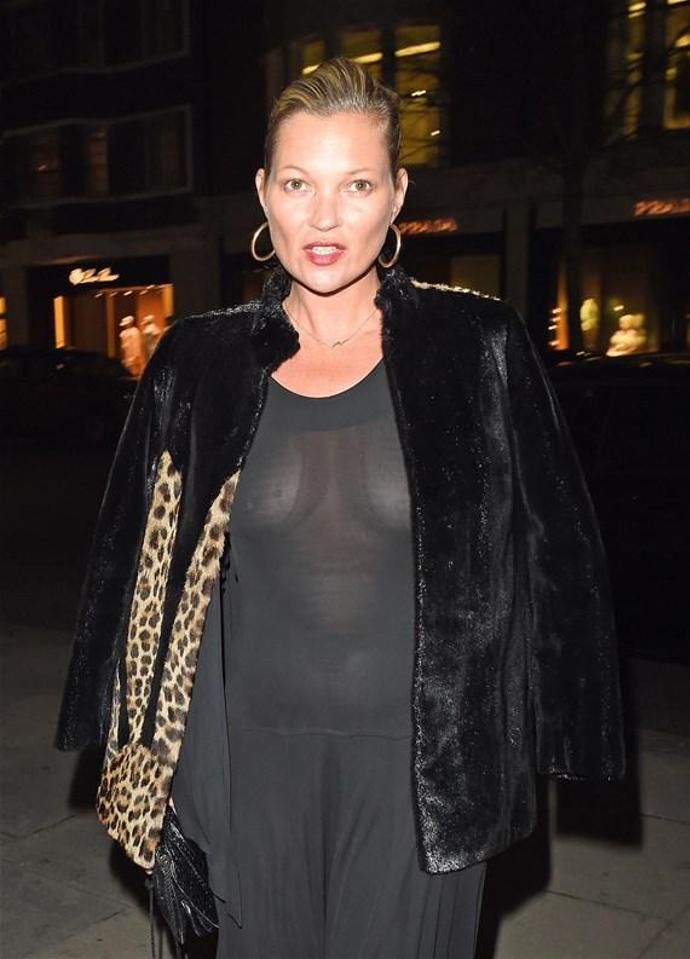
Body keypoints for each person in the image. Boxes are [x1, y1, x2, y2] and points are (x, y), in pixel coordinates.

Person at [54, 58, 625, 958]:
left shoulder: (475, 347)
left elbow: (558, 553)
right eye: (299, 184)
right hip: (246, 768)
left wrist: (568, 735)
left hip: (425, 772)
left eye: (356, 184)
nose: (324, 218)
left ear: (397, 196)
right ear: (263, 193)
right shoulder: (198, 362)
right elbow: (131, 567)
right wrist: (124, 739)